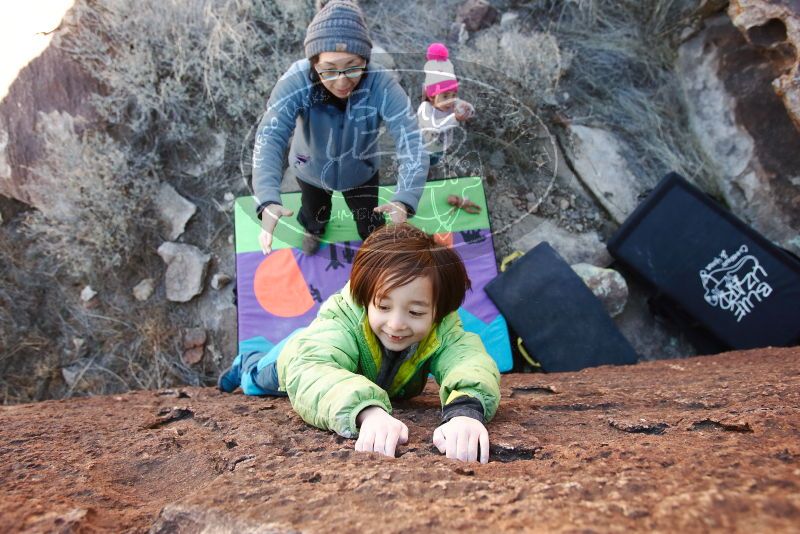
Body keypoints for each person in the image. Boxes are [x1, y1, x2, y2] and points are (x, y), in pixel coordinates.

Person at [219, 223, 501, 463]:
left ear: (438, 311)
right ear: (366, 298)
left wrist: (465, 411)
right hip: (294, 357)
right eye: (384, 306)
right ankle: (246, 362)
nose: (396, 324)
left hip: (342, 367)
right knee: (258, 379)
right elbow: (310, 368)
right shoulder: (342, 321)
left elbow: (468, 360)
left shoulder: (443, 328)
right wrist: (367, 411)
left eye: (415, 312)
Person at [252, 0, 429, 256]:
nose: (342, 81)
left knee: (369, 216)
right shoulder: (295, 81)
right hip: (310, 168)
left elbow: (411, 138)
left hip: (361, 171)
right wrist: (268, 199)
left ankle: (373, 238)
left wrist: (404, 198)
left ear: (365, 60)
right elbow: (269, 136)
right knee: (314, 210)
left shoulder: (382, 85)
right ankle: (314, 230)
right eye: (329, 70)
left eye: (353, 67)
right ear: (314, 64)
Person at [416, 43, 475, 168]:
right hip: (424, 148)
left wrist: (467, 109)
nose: (450, 101)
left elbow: (465, 107)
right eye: (445, 96)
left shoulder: (451, 102)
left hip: (440, 146)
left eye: (453, 95)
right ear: (432, 97)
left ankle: (434, 169)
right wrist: (455, 118)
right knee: (422, 167)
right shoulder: (425, 109)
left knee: (436, 162)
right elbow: (435, 126)